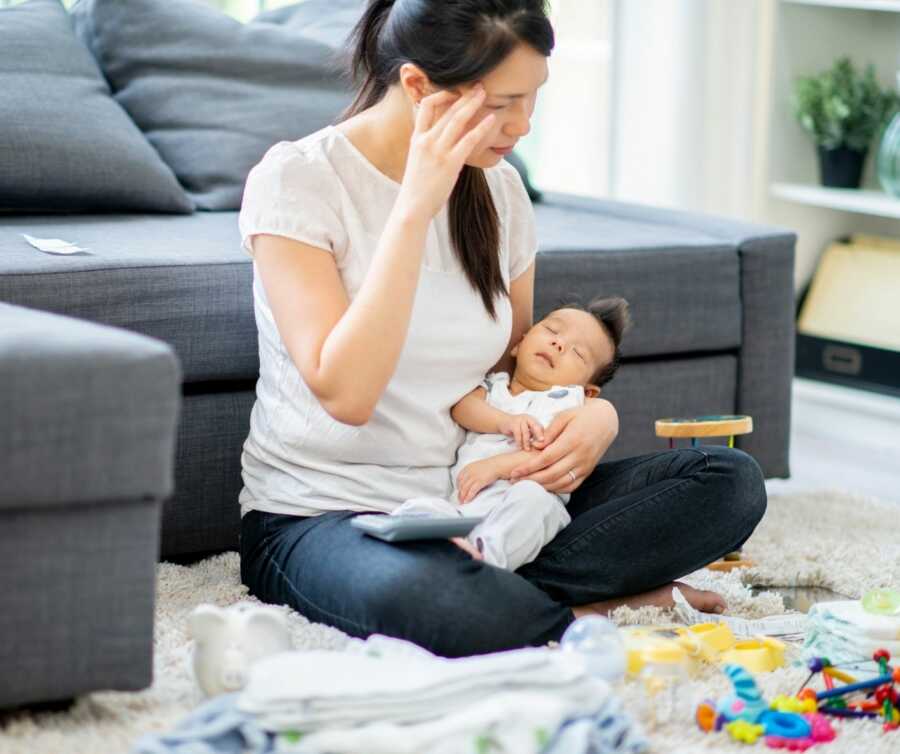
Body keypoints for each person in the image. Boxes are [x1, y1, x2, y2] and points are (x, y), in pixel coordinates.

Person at [238, 0, 768, 658]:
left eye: (533, 97)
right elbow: (347, 395)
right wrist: (414, 209)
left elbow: (510, 374)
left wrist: (595, 419)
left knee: (729, 481)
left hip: (486, 502)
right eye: (501, 103)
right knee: (432, 599)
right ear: (418, 87)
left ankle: (504, 594)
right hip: (326, 518)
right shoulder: (300, 181)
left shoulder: (499, 190)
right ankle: (577, 605)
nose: (521, 126)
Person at [392, 299, 631, 571]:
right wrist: (504, 421)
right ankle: (440, 546)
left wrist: (496, 467)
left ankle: (486, 559)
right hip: (465, 503)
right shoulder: (495, 386)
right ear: (519, 343)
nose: (558, 344)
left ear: (588, 391)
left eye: (578, 353)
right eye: (552, 330)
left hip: (525, 499)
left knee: (533, 501)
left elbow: (552, 455)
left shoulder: (569, 403)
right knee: (422, 507)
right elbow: (463, 408)